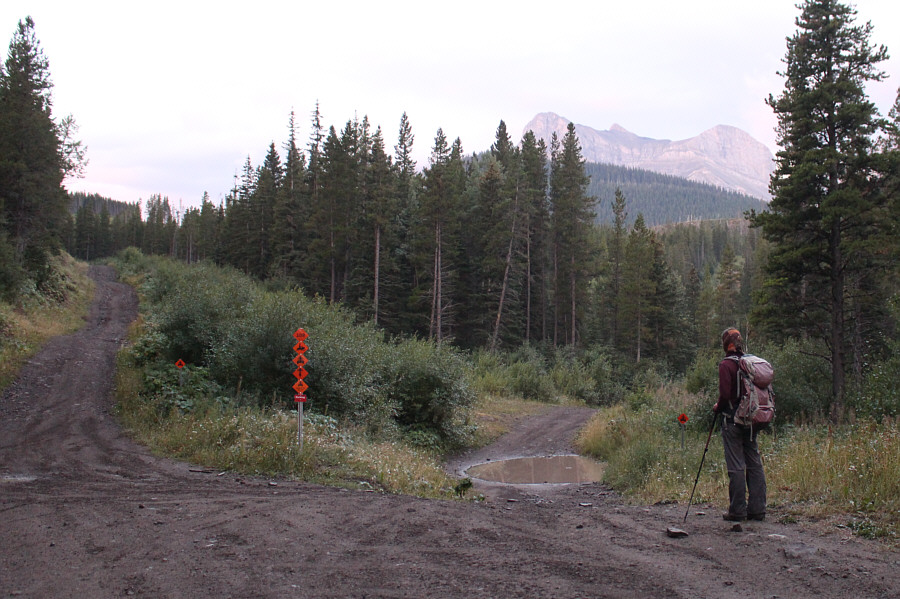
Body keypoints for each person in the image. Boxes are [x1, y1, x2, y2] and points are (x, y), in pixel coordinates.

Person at [713, 328, 767, 522]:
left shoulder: (726, 365)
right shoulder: (748, 363)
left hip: (732, 420)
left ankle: (737, 510)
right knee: (754, 462)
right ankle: (757, 509)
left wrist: (717, 407)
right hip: (751, 419)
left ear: (725, 343)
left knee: (736, 465)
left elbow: (726, 395)